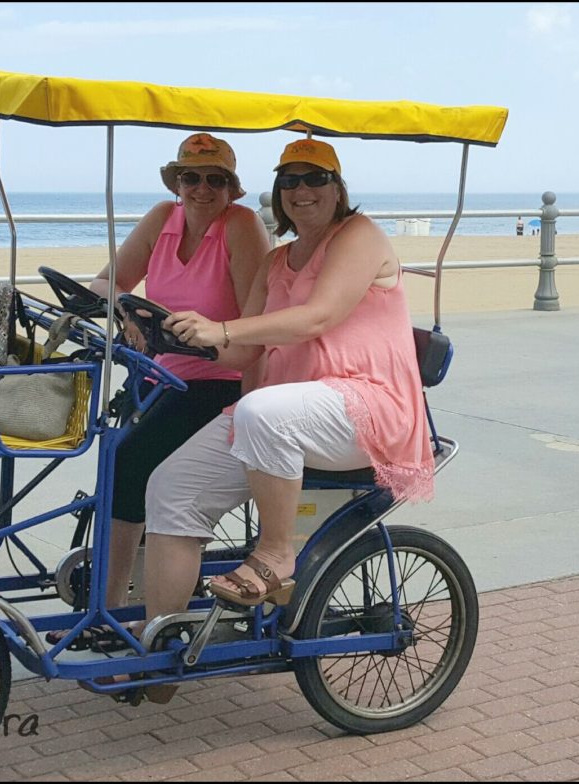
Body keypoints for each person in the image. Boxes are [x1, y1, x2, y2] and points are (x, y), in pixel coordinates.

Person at [140, 138, 434, 632]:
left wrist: (224, 328)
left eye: (315, 178)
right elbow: (242, 352)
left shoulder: (359, 234)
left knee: (263, 412)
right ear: (278, 194)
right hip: (285, 416)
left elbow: (317, 317)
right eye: (289, 180)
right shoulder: (276, 262)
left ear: (337, 189)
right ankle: (160, 638)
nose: (302, 190)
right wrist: (179, 333)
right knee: (170, 488)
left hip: (366, 405)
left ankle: (277, 556)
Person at [46, 132, 270, 650]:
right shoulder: (161, 220)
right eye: (191, 178)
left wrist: (210, 336)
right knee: (114, 467)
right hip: (157, 376)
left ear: (232, 188)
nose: (202, 189)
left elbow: (254, 323)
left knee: (127, 465)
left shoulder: (241, 227)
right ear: (177, 182)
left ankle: (110, 609)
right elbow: (110, 282)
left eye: (216, 180)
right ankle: (123, 587)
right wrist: (115, 306)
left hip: (219, 381)